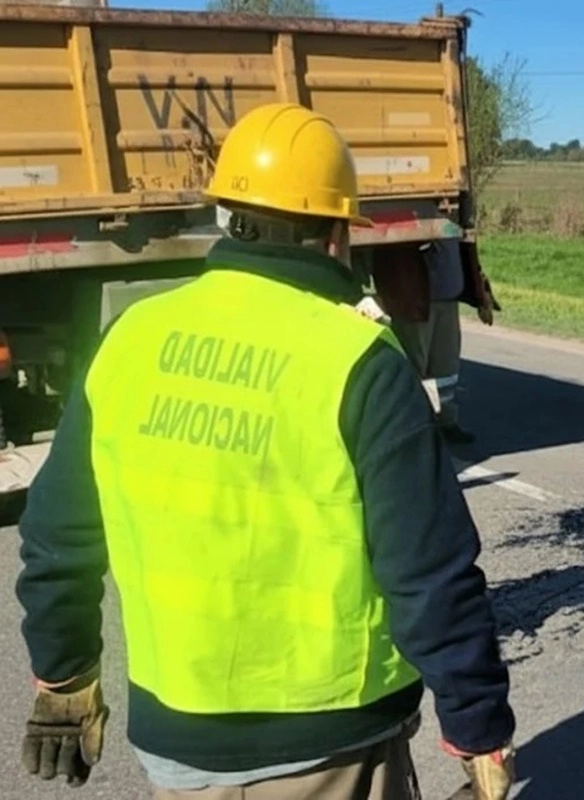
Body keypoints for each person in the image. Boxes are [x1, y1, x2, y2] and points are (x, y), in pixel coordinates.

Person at [13, 102, 516, 799]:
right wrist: (478, 727)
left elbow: (56, 537)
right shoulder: (360, 360)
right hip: (334, 741)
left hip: (178, 748)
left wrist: (64, 678)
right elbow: (430, 570)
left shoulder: (129, 338)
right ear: (337, 234)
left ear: (228, 216)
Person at [370, 237, 500, 446]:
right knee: (414, 366)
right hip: (414, 300)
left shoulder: (457, 221)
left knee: (446, 369)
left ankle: (446, 422)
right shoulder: (416, 219)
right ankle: (409, 427)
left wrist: (481, 293)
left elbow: (468, 250)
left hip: (448, 299)